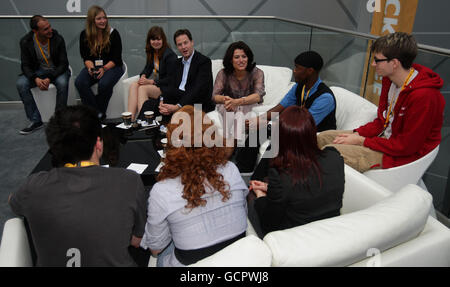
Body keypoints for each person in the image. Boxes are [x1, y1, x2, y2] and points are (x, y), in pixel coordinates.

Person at [8, 105, 147, 267]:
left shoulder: (32, 187)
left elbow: (13, 202)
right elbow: (138, 240)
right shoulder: (130, 181)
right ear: (98, 144)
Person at [317, 32, 445, 172]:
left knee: (329, 154)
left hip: (398, 156)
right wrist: (359, 134)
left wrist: (361, 141)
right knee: (322, 138)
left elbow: (406, 146)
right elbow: (382, 121)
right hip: (383, 140)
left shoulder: (425, 97)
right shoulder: (389, 80)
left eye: (377, 60)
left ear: (394, 63)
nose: (373, 64)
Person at [140, 105, 248, 267]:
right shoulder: (231, 169)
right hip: (239, 261)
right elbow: (242, 211)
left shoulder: (162, 191)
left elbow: (156, 249)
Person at [248, 106, 344, 238]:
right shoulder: (335, 158)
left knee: (251, 198)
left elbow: (268, 224)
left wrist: (260, 195)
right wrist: (270, 189)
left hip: (294, 239)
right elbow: (307, 191)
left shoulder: (281, 176)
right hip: (329, 233)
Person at [242, 50, 336, 174]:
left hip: (313, 134)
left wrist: (268, 124)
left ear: (310, 71)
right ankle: (244, 170)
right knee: (256, 130)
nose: (294, 71)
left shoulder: (325, 98)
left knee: (277, 141)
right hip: (295, 128)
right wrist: (260, 120)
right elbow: (280, 107)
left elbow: (304, 125)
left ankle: (259, 180)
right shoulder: (299, 87)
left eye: (298, 68)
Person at [17, 15, 70, 135]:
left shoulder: (58, 38)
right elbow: (25, 65)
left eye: (49, 26)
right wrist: (34, 78)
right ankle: (36, 120)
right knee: (21, 84)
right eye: (45, 29)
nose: (50, 30)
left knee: (62, 83)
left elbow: (63, 64)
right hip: (38, 71)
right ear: (35, 31)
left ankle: (59, 120)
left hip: (57, 70)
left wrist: (49, 77)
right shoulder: (26, 41)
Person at [75, 5, 124, 119]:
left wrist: (104, 69)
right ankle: (97, 113)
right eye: (99, 19)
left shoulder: (113, 34)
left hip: (112, 67)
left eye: (104, 18)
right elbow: (86, 57)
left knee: (104, 84)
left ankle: (92, 114)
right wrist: (91, 68)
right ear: (92, 21)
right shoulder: (85, 35)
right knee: (79, 82)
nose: (103, 21)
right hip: (93, 66)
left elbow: (116, 58)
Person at [213, 41, 265, 140]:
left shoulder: (257, 73)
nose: (241, 60)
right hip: (228, 106)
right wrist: (226, 99)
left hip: (249, 105)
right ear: (230, 60)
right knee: (228, 108)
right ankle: (228, 141)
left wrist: (237, 102)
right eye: (237, 57)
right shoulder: (223, 73)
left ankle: (235, 143)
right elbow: (215, 96)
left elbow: (258, 96)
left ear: (248, 58)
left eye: (244, 56)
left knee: (240, 110)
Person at [157, 29, 215, 117]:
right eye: (180, 45)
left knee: (169, 101)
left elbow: (197, 90)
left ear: (192, 42)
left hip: (197, 102)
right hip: (178, 97)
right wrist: (162, 100)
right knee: (149, 104)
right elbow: (170, 84)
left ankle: (166, 127)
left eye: (185, 43)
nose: (183, 47)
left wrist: (177, 106)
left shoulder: (204, 62)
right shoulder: (176, 63)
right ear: (177, 47)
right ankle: (135, 127)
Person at [127, 26, 177, 121]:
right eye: (153, 39)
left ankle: (145, 120)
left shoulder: (170, 55)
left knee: (143, 89)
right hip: (158, 84)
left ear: (163, 39)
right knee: (134, 85)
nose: (156, 42)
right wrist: (143, 76)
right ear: (149, 41)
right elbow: (147, 68)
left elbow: (171, 79)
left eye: (158, 39)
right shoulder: (153, 52)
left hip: (167, 87)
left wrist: (151, 82)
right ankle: (130, 119)